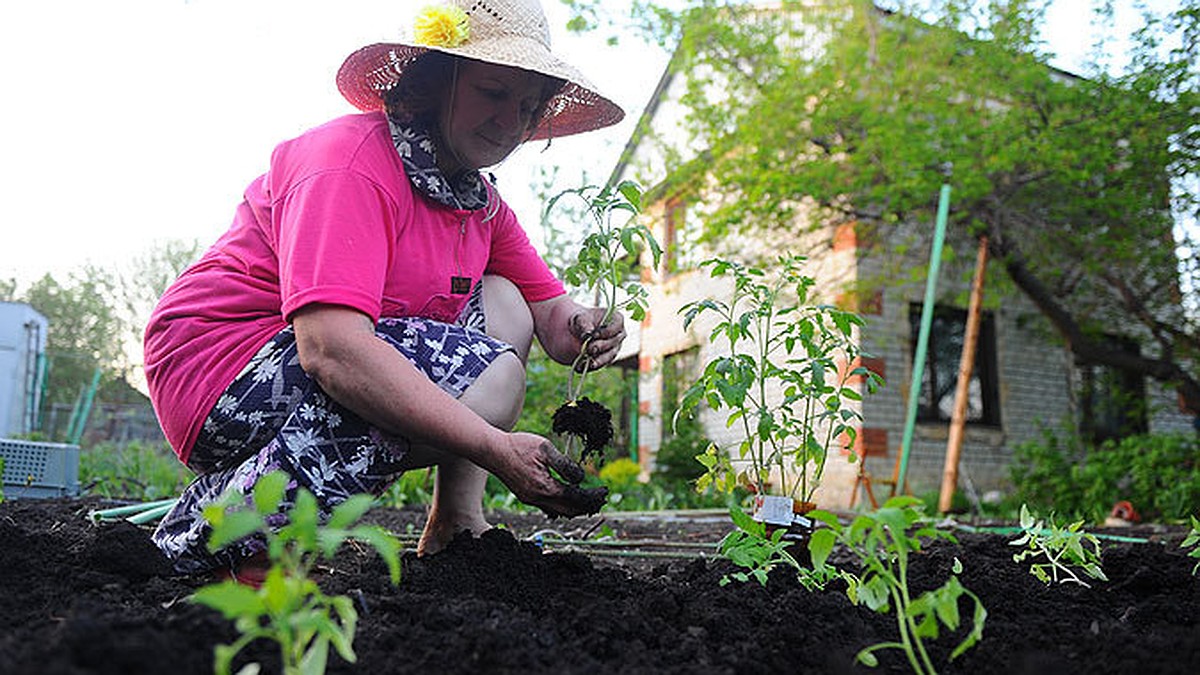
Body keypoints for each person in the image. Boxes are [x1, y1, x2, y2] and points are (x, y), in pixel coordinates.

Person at [144, 0, 626, 576]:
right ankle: (226, 538)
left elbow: (549, 317)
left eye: (526, 108)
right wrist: (495, 449)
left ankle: (456, 523)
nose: (509, 123)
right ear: (437, 79)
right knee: (490, 377)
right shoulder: (349, 163)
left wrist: (587, 326)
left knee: (504, 303)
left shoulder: (477, 202)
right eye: (493, 92)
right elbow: (330, 349)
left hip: (304, 367)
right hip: (220, 369)